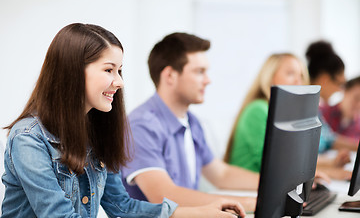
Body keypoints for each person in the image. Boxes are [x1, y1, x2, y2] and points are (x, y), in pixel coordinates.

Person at [1, 23, 246, 218]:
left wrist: (203, 212)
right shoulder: (28, 138)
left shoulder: (97, 132)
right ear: (73, 71)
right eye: (109, 70)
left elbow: (121, 205)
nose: (119, 82)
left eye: (120, 70)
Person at [121, 32, 259, 212]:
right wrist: (250, 203)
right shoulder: (141, 126)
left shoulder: (191, 122)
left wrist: (274, 184)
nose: (208, 80)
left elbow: (221, 174)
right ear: (170, 75)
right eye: (199, 72)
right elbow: (163, 194)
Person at [223, 53, 309, 172]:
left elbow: (293, 159)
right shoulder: (258, 109)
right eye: (290, 73)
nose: (298, 81)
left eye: (301, 76)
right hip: (244, 188)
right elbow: (274, 162)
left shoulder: (282, 114)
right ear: (270, 77)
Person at [305, 40, 352, 180]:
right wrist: (334, 172)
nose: (340, 90)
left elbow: (330, 139)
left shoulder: (315, 108)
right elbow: (295, 162)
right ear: (325, 79)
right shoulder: (302, 109)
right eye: (340, 84)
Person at [321, 76, 360, 151]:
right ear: (344, 91)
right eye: (356, 98)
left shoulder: (358, 128)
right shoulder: (321, 113)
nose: (359, 105)